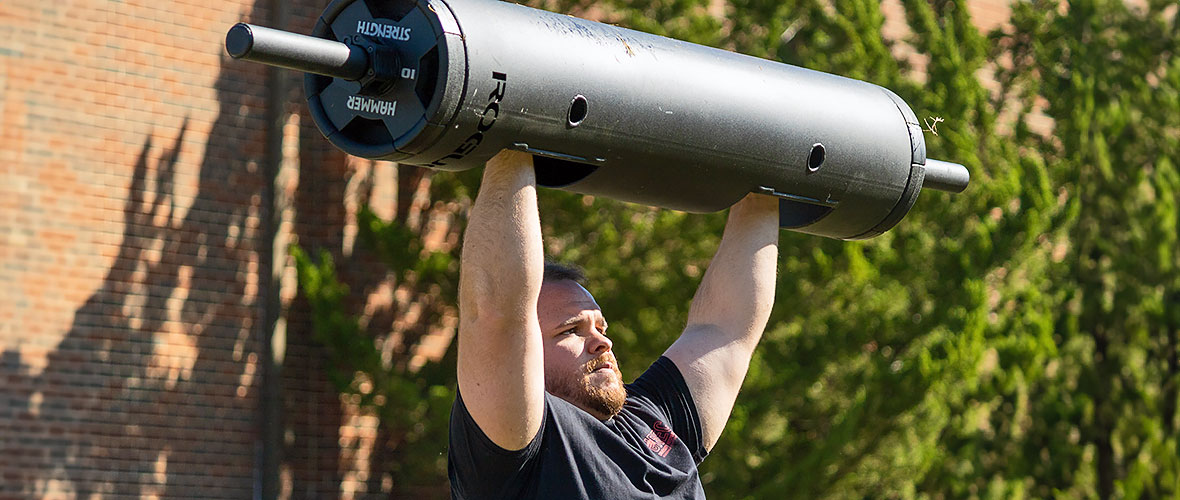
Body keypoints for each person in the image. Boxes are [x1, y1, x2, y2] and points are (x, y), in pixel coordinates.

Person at [448, 150, 780, 499]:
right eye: (571, 330)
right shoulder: (520, 448)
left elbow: (724, 327)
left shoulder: (650, 422)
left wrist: (769, 179)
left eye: (600, 328)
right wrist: (513, 143)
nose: (601, 343)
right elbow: (497, 314)